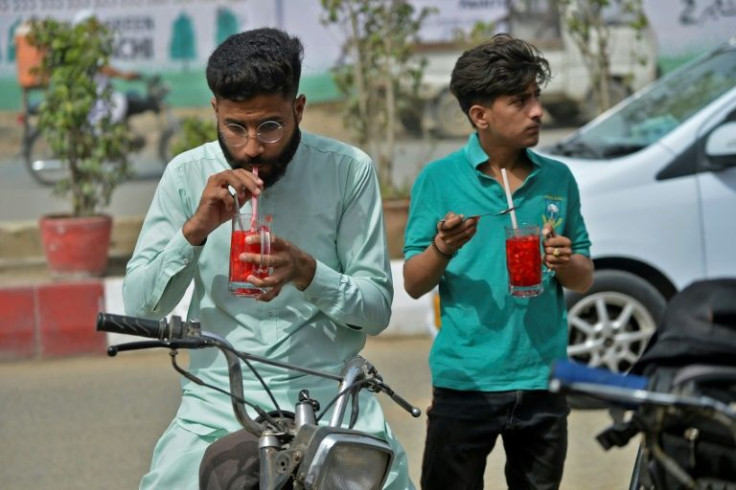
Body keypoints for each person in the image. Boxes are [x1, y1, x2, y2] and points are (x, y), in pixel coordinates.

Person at [123, 27, 413, 489]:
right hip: (218, 406)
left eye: (270, 126)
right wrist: (194, 231)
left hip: (330, 402)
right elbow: (140, 306)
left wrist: (308, 272)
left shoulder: (347, 171)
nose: (252, 147)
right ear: (215, 110)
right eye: (235, 127)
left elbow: (376, 311)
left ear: (298, 109)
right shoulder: (185, 175)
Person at [403, 33, 594, 490]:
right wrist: (443, 248)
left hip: (542, 379)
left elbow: (584, 276)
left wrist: (565, 260)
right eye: (520, 101)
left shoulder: (558, 178)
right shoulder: (439, 180)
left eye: (537, 97)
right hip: (465, 381)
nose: (537, 112)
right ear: (480, 115)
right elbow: (412, 282)